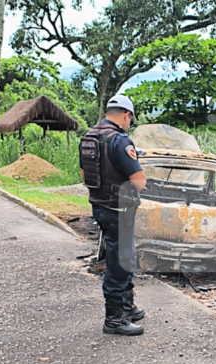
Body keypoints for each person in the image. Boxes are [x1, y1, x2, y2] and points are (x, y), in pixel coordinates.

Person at [78, 95, 147, 335]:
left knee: (125, 256)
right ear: (126, 115)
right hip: (120, 211)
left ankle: (126, 307)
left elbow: (85, 177)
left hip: (101, 208)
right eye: (131, 119)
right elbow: (139, 182)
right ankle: (114, 319)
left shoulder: (88, 138)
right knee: (119, 263)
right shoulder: (119, 140)